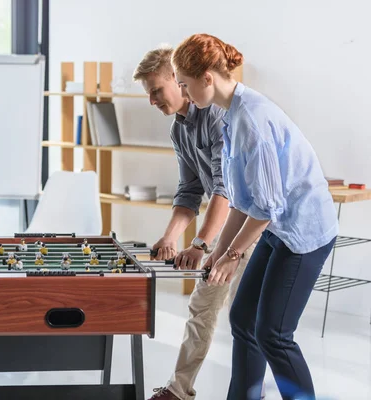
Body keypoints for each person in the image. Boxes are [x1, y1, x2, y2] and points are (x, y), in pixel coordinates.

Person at [172, 33, 338, 400]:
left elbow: (266, 207)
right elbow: (242, 201)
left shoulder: (251, 121)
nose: (183, 92)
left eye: (184, 84)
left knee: (274, 334)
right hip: (278, 227)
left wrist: (231, 257)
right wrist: (218, 251)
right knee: (243, 320)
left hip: (304, 233)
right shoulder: (231, 114)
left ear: (207, 79)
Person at [133, 45, 257, 400]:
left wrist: (201, 244)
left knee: (246, 321)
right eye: (149, 94)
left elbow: (225, 189)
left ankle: (252, 392)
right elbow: (190, 191)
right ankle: (179, 390)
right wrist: (171, 237)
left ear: (176, 77)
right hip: (226, 231)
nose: (153, 100)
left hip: (252, 231)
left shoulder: (217, 116)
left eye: (156, 89)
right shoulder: (179, 130)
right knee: (203, 307)